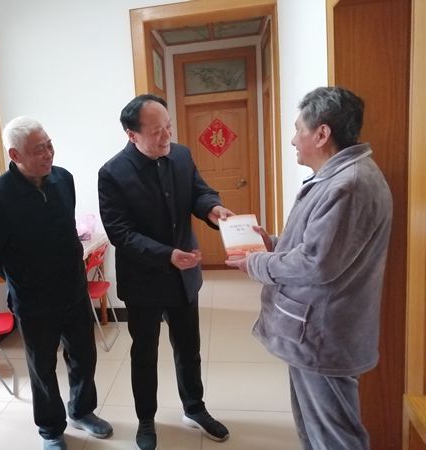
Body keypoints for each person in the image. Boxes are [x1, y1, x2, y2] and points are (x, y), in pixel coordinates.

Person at [226, 86, 393, 450]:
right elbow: (324, 248)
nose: (292, 140)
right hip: (315, 331)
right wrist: (273, 243)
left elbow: (317, 263)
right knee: (314, 430)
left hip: (323, 335)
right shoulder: (338, 177)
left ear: (321, 134)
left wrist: (257, 262)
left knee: (335, 437)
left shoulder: (348, 185)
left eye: (298, 129)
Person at [98, 94, 232, 450]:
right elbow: (120, 233)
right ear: (132, 134)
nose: (167, 136)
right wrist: (166, 255)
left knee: (189, 349)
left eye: (168, 126)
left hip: (183, 277)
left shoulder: (181, 155)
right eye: (157, 131)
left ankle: (195, 408)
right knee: (144, 354)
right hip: (144, 280)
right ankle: (146, 419)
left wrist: (213, 209)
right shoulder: (112, 174)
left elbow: (199, 192)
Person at [0, 116, 113, 450]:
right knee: (42, 367)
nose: (49, 153)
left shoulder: (63, 179)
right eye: (39, 149)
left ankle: (81, 410)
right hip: (33, 300)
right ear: (15, 155)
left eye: (50, 145)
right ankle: (51, 429)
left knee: (84, 356)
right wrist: (23, 278)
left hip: (74, 290)